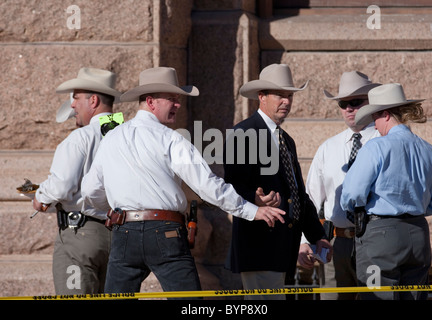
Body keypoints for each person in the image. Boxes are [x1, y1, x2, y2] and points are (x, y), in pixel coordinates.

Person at [80, 67, 286, 295]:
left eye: (178, 100)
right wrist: (250, 210)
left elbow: (89, 190)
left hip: (123, 231)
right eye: (172, 99)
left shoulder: (112, 138)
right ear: (150, 101)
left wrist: (117, 209)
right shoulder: (171, 139)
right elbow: (207, 185)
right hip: (164, 233)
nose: (178, 105)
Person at [223, 63, 332, 300]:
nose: (287, 101)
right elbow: (231, 187)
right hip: (258, 247)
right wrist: (254, 197)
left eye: (290, 95)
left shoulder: (286, 140)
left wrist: (317, 236)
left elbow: (297, 193)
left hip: (283, 248)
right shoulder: (243, 134)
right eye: (280, 95)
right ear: (261, 97)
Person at [340, 83, 432, 300]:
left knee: (376, 296)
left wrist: (357, 207)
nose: (375, 127)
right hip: (418, 234)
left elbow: (351, 194)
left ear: (386, 115)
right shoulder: (429, 150)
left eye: (375, 118)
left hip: (381, 235)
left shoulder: (376, 147)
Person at [32, 67, 122, 294]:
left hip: (81, 232)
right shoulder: (129, 135)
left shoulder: (80, 138)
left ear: (93, 100)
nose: (72, 104)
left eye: (77, 98)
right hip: (122, 237)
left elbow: (61, 186)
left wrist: (39, 197)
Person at [299, 71, 381, 300]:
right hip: (337, 243)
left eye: (355, 102)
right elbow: (311, 199)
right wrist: (305, 242)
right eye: (343, 103)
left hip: (375, 241)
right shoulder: (328, 148)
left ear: (370, 102)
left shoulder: (385, 142)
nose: (348, 109)